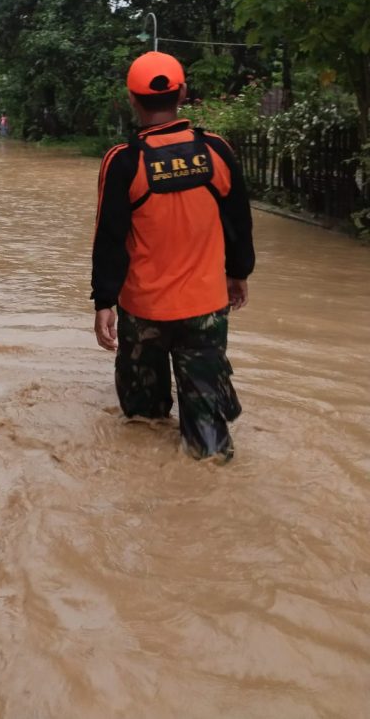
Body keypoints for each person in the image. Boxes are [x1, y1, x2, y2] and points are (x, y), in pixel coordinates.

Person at [91, 51, 254, 463]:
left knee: (142, 426)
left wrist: (103, 301)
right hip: (205, 310)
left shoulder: (123, 161)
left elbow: (109, 238)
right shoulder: (216, 150)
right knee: (209, 441)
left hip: (143, 312)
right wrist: (238, 273)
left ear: (132, 99)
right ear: (182, 93)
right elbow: (239, 221)